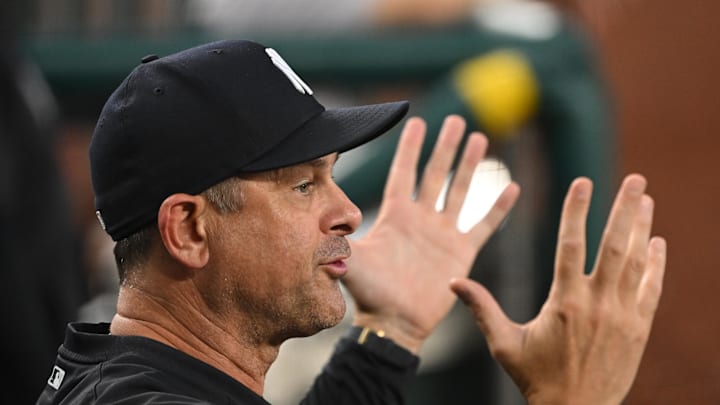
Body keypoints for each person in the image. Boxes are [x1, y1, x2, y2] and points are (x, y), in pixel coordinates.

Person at [36, 39, 665, 404]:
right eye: (304, 184)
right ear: (190, 230)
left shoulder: (122, 375)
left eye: (334, 175)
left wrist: (389, 331)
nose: (348, 212)